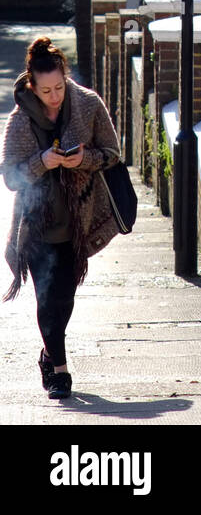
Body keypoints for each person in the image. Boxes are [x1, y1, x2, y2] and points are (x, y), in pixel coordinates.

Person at [1, 35, 122, 399]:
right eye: (45, 90)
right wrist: (42, 162)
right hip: (36, 225)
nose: (54, 97)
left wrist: (81, 159)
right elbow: (9, 176)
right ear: (31, 85)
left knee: (64, 299)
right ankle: (59, 371)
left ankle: (48, 352)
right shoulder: (20, 120)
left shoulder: (87, 104)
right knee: (45, 299)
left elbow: (112, 153)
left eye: (59, 87)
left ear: (66, 77)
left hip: (77, 222)